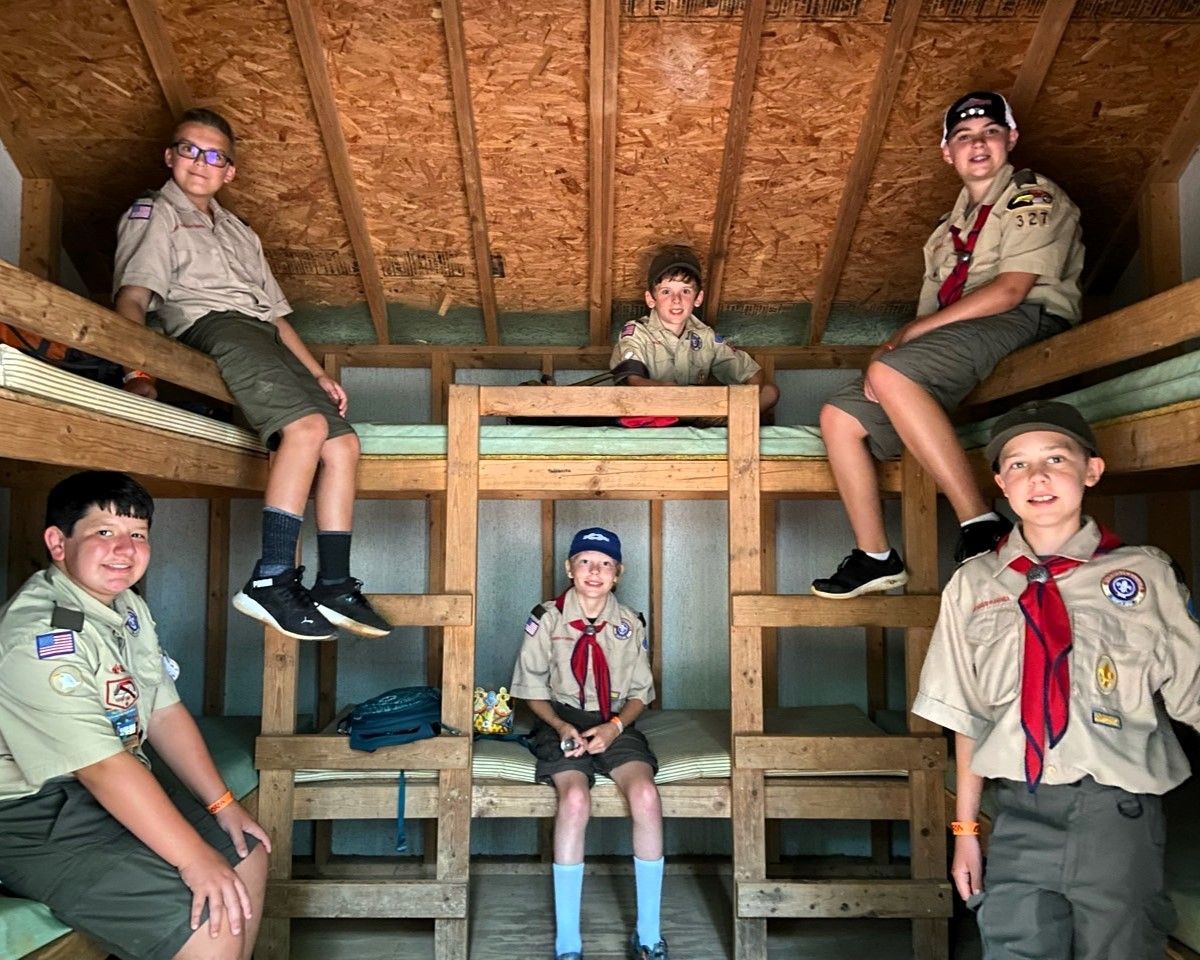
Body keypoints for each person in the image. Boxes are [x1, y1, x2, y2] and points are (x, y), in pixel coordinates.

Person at [912, 401, 1199, 959]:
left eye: (1056, 459)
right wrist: (966, 834)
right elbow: (968, 718)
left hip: (1119, 815)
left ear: (1091, 470)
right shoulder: (973, 586)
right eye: (1017, 465)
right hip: (1019, 812)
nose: (1037, 477)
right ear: (999, 482)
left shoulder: (1146, 574)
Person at [112, 107, 389, 640]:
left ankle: (333, 583)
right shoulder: (155, 213)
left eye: (215, 156)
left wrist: (320, 374)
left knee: (343, 445)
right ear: (169, 156)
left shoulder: (240, 230)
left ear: (229, 172)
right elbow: (133, 298)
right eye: (189, 150)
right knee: (305, 430)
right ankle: (270, 578)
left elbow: (277, 317)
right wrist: (136, 369)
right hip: (210, 326)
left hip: (261, 337)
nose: (201, 162)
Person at [811, 91, 1084, 599]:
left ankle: (980, 521)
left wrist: (905, 346)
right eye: (963, 137)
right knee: (838, 416)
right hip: (966, 334)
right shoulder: (946, 231)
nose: (977, 145)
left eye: (989, 133)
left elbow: (1011, 290)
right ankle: (875, 556)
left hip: (1028, 319)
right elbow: (931, 320)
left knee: (893, 371)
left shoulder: (1031, 195)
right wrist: (892, 358)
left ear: (1011, 139)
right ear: (947, 153)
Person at [0, 470, 272, 960]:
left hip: (102, 782)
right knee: (212, 921)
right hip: (30, 812)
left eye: (137, 534)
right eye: (104, 532)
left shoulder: (124, 606)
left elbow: (163, 709)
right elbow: (101, 768)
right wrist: (194, 860)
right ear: (57, 543)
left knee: (248, 854)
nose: (124, 549)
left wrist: (223, 803)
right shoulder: (41, 639)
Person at [510, 527, 667, 960]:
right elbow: (530, 689)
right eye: (584, 561)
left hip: (614, 721)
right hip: (558, 721)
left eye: (604, 564)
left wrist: (615, 726)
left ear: (618, 573)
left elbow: (640, 693)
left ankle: (649, 934)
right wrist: (562, 728)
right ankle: (568, 943)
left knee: (646, 796)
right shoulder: (547, 618)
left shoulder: (629, 622)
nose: (594, 571)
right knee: (576, 800)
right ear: (569, 568)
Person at [610, 246, 779, 419]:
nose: (676, 299)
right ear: (651, 299)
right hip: (652, 414)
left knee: (769, 392)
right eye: (666, 291)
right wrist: (665, 389)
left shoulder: (705, 335)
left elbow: (752, 374)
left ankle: (733, 430)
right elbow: (634, 381)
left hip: (698, 417)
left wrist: (742, 402)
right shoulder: (637, 332)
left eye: (685, 291)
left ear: (698, 298)